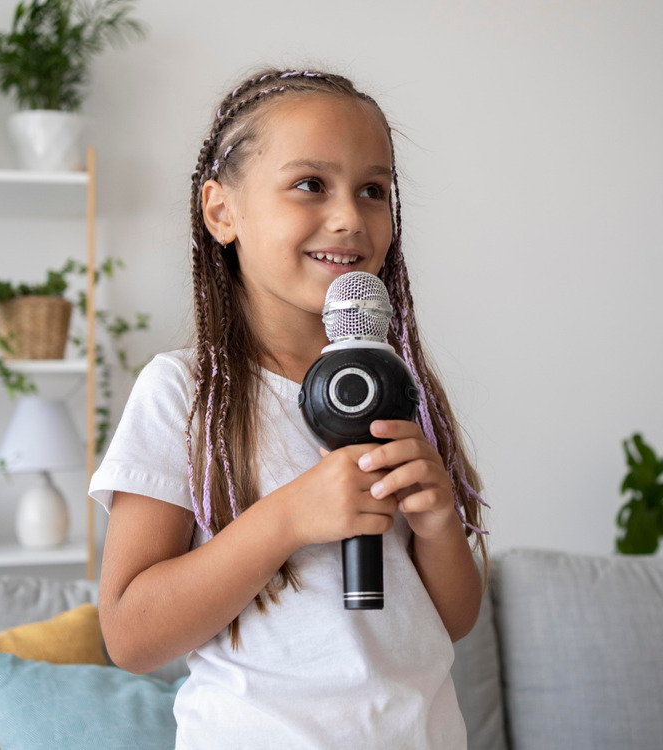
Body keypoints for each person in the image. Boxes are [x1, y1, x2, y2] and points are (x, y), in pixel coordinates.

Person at [90, 67, 489, 749]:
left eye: (373, 191)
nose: (350, 217)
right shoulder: (184, 393)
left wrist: (437, 526)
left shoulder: (401, 386)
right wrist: (288, 518)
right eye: (310, 184)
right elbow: (129, 636)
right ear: (222, 212)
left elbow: (452, 621)